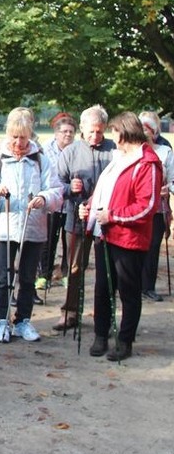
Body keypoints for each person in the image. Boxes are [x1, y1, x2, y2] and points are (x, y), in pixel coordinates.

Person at [0, 107, 62, 343]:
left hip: (33, 227)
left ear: (29, 135)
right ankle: (1, 321)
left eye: (23, 137)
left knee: (27, 277)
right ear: (8, 134)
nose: (18, 142)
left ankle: (23, 320)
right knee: (3, 277)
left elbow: (56, 190)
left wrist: (44, 198)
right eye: (14, 137)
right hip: (4, 227)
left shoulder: (40, 158)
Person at [81, 112, 162, 361]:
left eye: (114, 131)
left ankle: (125, 340)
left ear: (124, 132)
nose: (110, 137)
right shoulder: (118, 159)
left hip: (128, 239)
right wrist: (89, 206)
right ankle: (101, 335)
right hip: (104, 234)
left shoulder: (147, 163)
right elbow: (104, 192)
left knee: (128, 291)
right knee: (103, 288)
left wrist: (113, 216)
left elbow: (146, 206)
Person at [53, 105, 116, 331]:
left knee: (107, 269)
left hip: (107, 220)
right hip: (76, 217)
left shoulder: (114, 150)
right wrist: (71, 188)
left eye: (99, 131)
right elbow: (56, 185)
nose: (95, 136)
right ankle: (70, 312)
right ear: (82, 128)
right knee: (75, 267)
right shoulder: (71, 152)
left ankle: (105, 316)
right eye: (91, 131)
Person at [36, 113, 77, 297]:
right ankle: (44, 275)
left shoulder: (78, 151)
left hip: (72, 203)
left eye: (71, 132)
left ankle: (66, 273)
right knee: (48, 240)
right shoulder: (45, 149)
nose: (67, 135)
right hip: (53, 203)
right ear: (56, 133)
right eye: (64, 131)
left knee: (69, 242)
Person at [138, 111, 174, 302]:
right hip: (136, 208)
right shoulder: (130, 153)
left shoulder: (165, 152)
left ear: (154, 132)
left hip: (158, 208)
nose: (144, 132)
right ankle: (131, 285)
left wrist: (168, 189)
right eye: (141, 128)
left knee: (152, 247)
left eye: (147, 129)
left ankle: (148, 286)